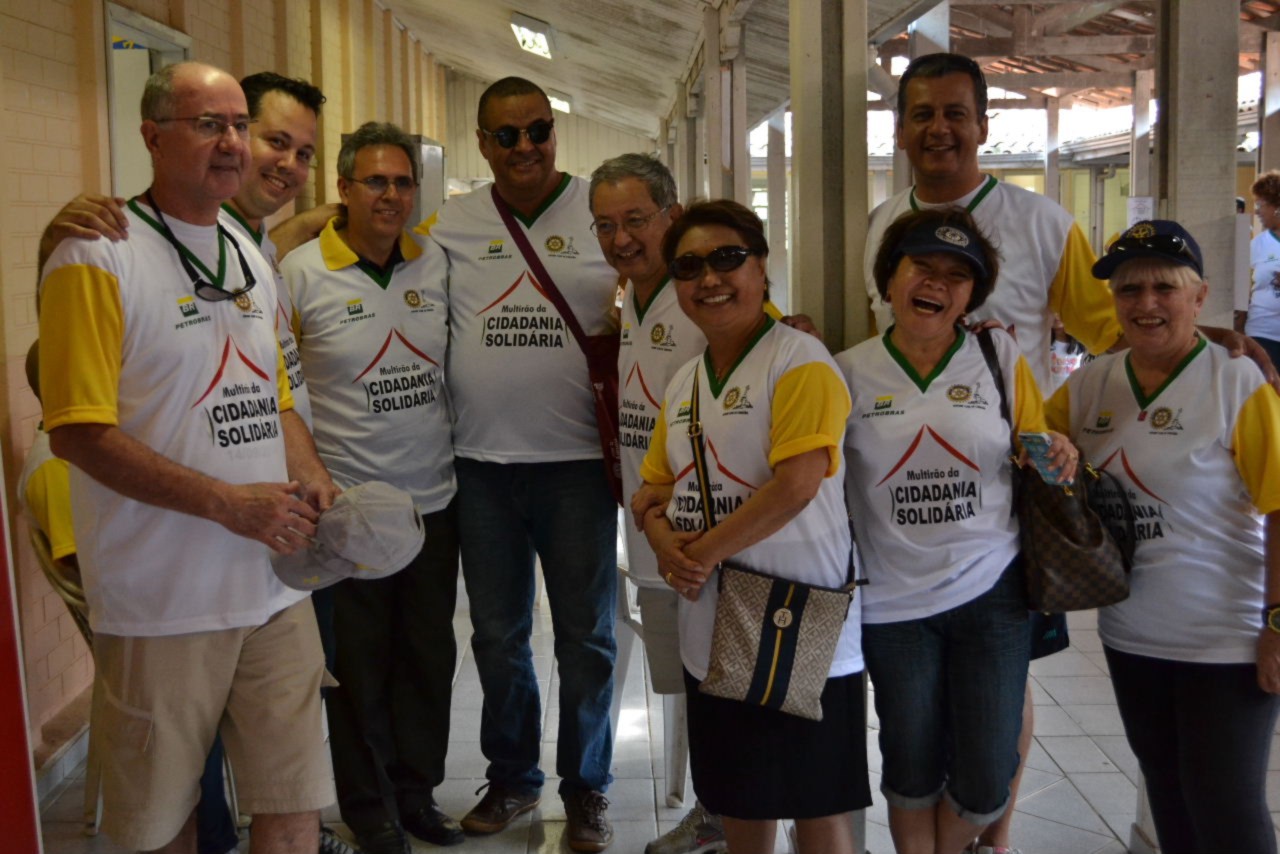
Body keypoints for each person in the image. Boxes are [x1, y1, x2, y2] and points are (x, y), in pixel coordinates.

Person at [37, 70, 355, 854]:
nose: (232, 143)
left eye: (239, 125)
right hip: (162, 602)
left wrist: (311, 475)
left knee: (295, 806)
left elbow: (276, 397)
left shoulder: (247, 250)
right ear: (152, 136)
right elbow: (77, 433)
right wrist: (226, 504)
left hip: (273, 588)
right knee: (160, 826)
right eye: (208, 124)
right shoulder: (95, 254)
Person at [417, 77, 618, 852]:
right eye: (508, 135)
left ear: (554, 131)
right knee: (498, 637)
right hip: (482, 467)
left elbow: (682, 265)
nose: (526, 146)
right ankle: (513, 779)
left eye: (538, 129)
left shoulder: (601, 208)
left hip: (577, 468)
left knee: (586, 639)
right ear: (482, 143)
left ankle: (587, 787)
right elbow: (371, 238)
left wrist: (774, 315)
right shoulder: (452, 223)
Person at [839, 207, 1076, 854]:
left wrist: (1055, 449)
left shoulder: (997, 355)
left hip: (992, 591)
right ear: (890, 278)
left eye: (957, 276)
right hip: (892, 603)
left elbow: (1033, 443)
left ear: (972, 295)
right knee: (910, 764)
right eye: (922, 266)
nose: (937, 284)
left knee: (986, 772)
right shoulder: (845, 371)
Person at [636, 199, 869, 854]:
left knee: (818, 805)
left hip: (799, 621)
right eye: (689, 267)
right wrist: (664, 544)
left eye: (727, 259)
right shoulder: (686, 381)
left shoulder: (799, 362)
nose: (709, 278)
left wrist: (698, 554)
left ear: (762, 267)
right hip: (713, 625)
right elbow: (652, 490)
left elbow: (797, 485)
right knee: (739, 800)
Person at [1046, 220, 1280, 854]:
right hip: (1131, 638)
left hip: (1225, 641)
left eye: (1164, 288)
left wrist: (1277, 624)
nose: (1145, 303)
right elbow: (1027, 440)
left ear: (1198, 297)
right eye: (1129, 289)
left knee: (1226, 811)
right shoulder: (1092, 382)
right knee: (1170, 803)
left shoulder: (1236, 381)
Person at [280, 121, 461, 854]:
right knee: (357, 669)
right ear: (344, 189)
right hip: (346, 512)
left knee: (427, 660)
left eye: (403, 182)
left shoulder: (434, 262)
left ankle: (417, 795)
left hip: (431, 504)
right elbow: (279, 389)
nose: (391, 195)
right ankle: (369, 807)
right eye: (376, 181)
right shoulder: (300, 273)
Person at [589, 153, 729, 854]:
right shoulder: (633, 301)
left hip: (710, 539)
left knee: (725, 683)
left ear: (671, 216)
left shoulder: (700, 298)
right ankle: (716, 811)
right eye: (605, 226)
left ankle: (728, 818)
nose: (621, 239)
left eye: (636, 220)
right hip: (653, 536)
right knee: (695, 683)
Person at [1247, 171, 1280, 369]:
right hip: (1262, 333)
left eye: (1261, 205)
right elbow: (1243, 292)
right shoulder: (1257, 245)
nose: (1257, 211)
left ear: (1277, 207)